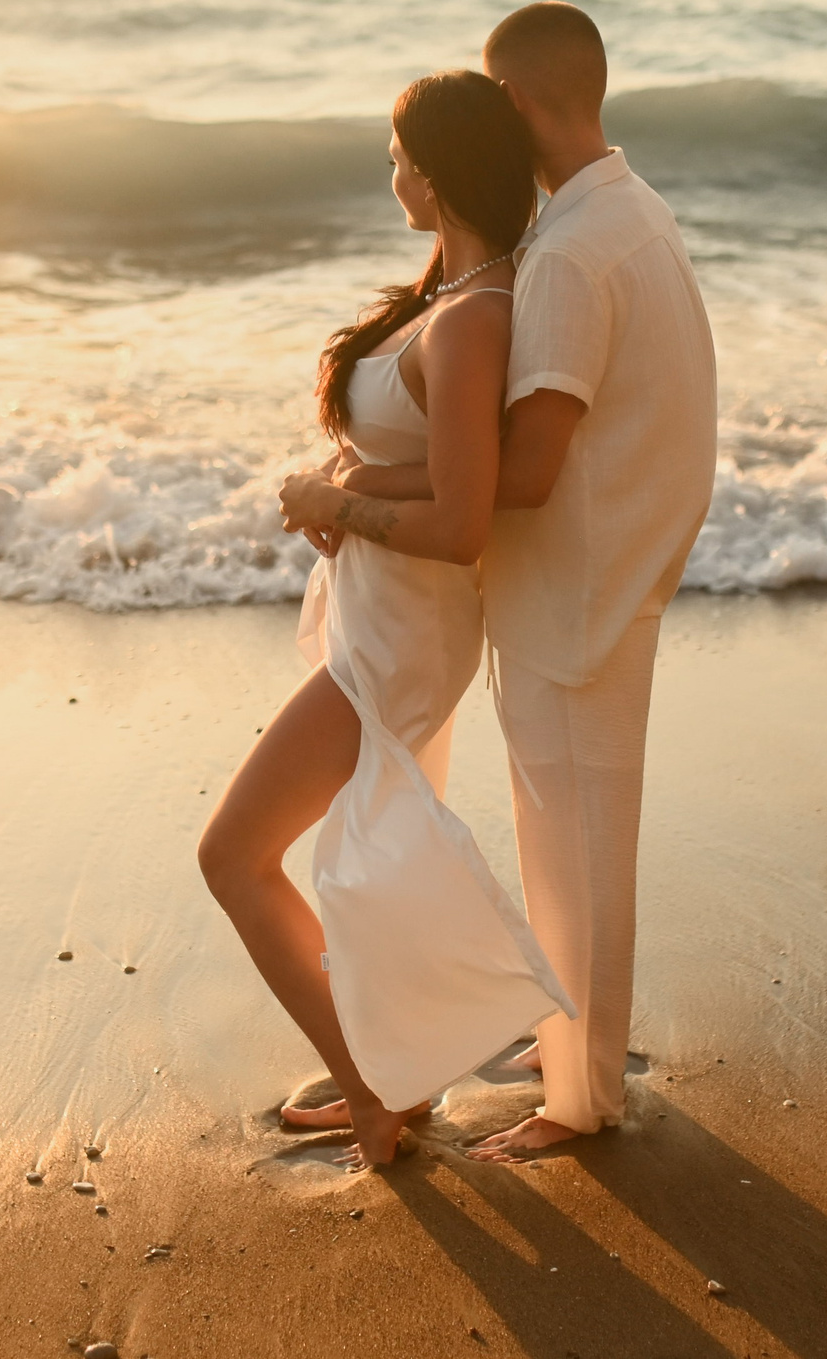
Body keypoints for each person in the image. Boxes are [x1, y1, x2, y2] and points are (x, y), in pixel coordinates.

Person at [285, 3, 717, 1161]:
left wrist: (351, 498)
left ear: (518, 102)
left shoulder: (572, 254)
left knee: (572, 842)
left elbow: (520, 474)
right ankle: (556, 1029)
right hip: (606, 569)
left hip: (575, 583)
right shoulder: (625, 212)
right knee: (566, 829)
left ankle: (580, 1096)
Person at [200, 70, 571, 1170]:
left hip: (406, 631)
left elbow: (464, 516)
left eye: (399, 153)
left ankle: (376, 1091)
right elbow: (438, 466)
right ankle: (387, 1069)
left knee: (233, 854)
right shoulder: (454, 296)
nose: (392, 171)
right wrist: (351, 477)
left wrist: (338, 503)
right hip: (388, 618)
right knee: (284, 854)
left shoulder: (472, 320)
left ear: (440, 170)